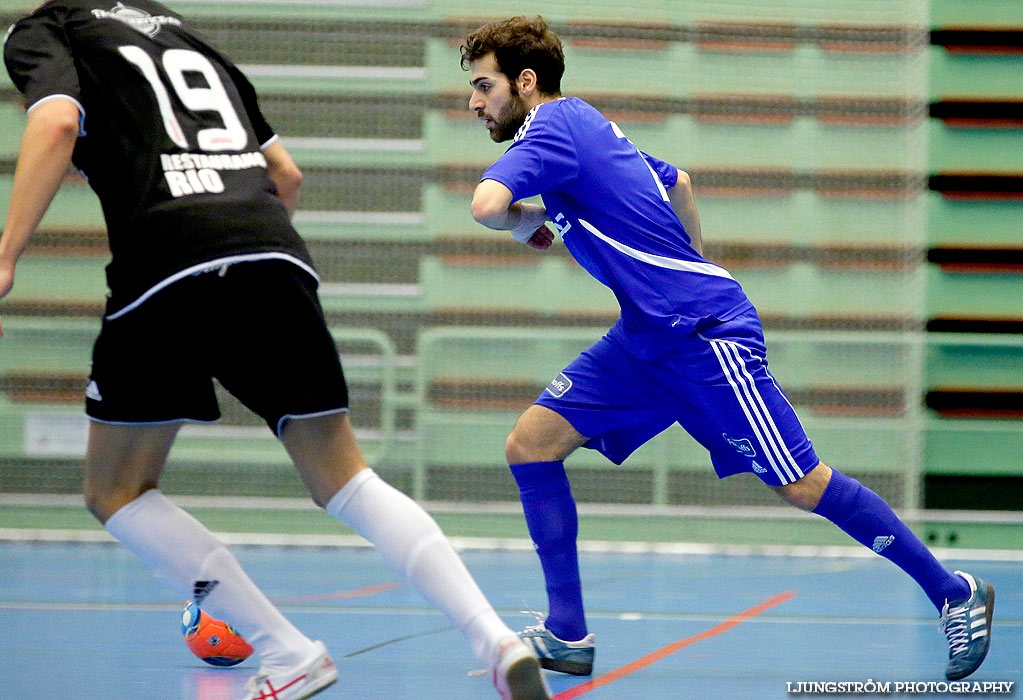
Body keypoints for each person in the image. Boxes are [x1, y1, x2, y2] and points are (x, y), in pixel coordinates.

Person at [0, 3, 553, 699]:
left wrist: (5, 257)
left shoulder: (48, 28)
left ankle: (286, 650)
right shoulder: (184, 33)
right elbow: (284, 175)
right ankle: (495, 640)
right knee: (347, 479)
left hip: (166, 257)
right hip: (271, 249)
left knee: (115, 491)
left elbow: (54, 121)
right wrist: (241, 265)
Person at [460, 15, 994, 683]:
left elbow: (484, 205)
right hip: (647, 336)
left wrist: (520, 224)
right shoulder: (587, 123)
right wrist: (679, 260)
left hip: (701, 334)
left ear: (525, 82)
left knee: (804, 485)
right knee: (530, 444)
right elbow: (677, 181)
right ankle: (567, 632)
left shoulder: (547, 129)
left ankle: (952, 592)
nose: (475, 103)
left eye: (483, 86)